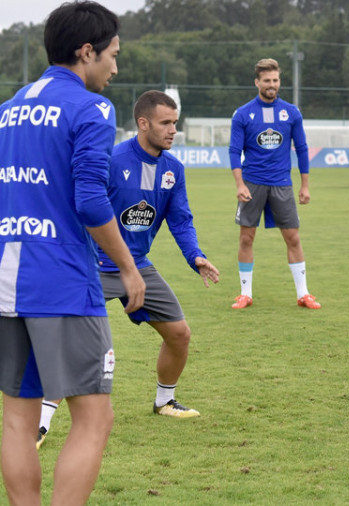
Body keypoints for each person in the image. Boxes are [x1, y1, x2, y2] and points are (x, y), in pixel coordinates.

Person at [0, 2, 146, 504]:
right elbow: (89, 200)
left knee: (18, 418)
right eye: (112, 55)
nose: (115, 67)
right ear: (87, 52)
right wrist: (128, 268)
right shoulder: (91, 108)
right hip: (61, 281)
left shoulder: (9, 108)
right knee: (95, 417)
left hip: (8, 280)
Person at [36, 90, 221, 449]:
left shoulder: (173, 170)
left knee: (180, 334)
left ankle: (164, 401)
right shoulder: (111, 159)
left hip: (139, 267)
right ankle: (39, 426)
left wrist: (194, 255)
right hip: (94, 266)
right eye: (165, 123)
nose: (173, 131)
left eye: (175, 123)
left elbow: (180, 220)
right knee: (71, 343)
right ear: (143, 123)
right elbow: (82, 208)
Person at [228, 58, 319, 310]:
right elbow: (235, 151)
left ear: (280, 81)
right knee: (246, 237)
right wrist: (239, 185)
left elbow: (301, 149)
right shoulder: (243, 114)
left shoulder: (291, 112)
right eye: (266, 80)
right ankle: (245, 293)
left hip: (281, 184)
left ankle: (304, 294)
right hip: (252, 183)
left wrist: (305, 185)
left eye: (275, 80)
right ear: (257, 82)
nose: (271, 84)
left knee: (293, 237)